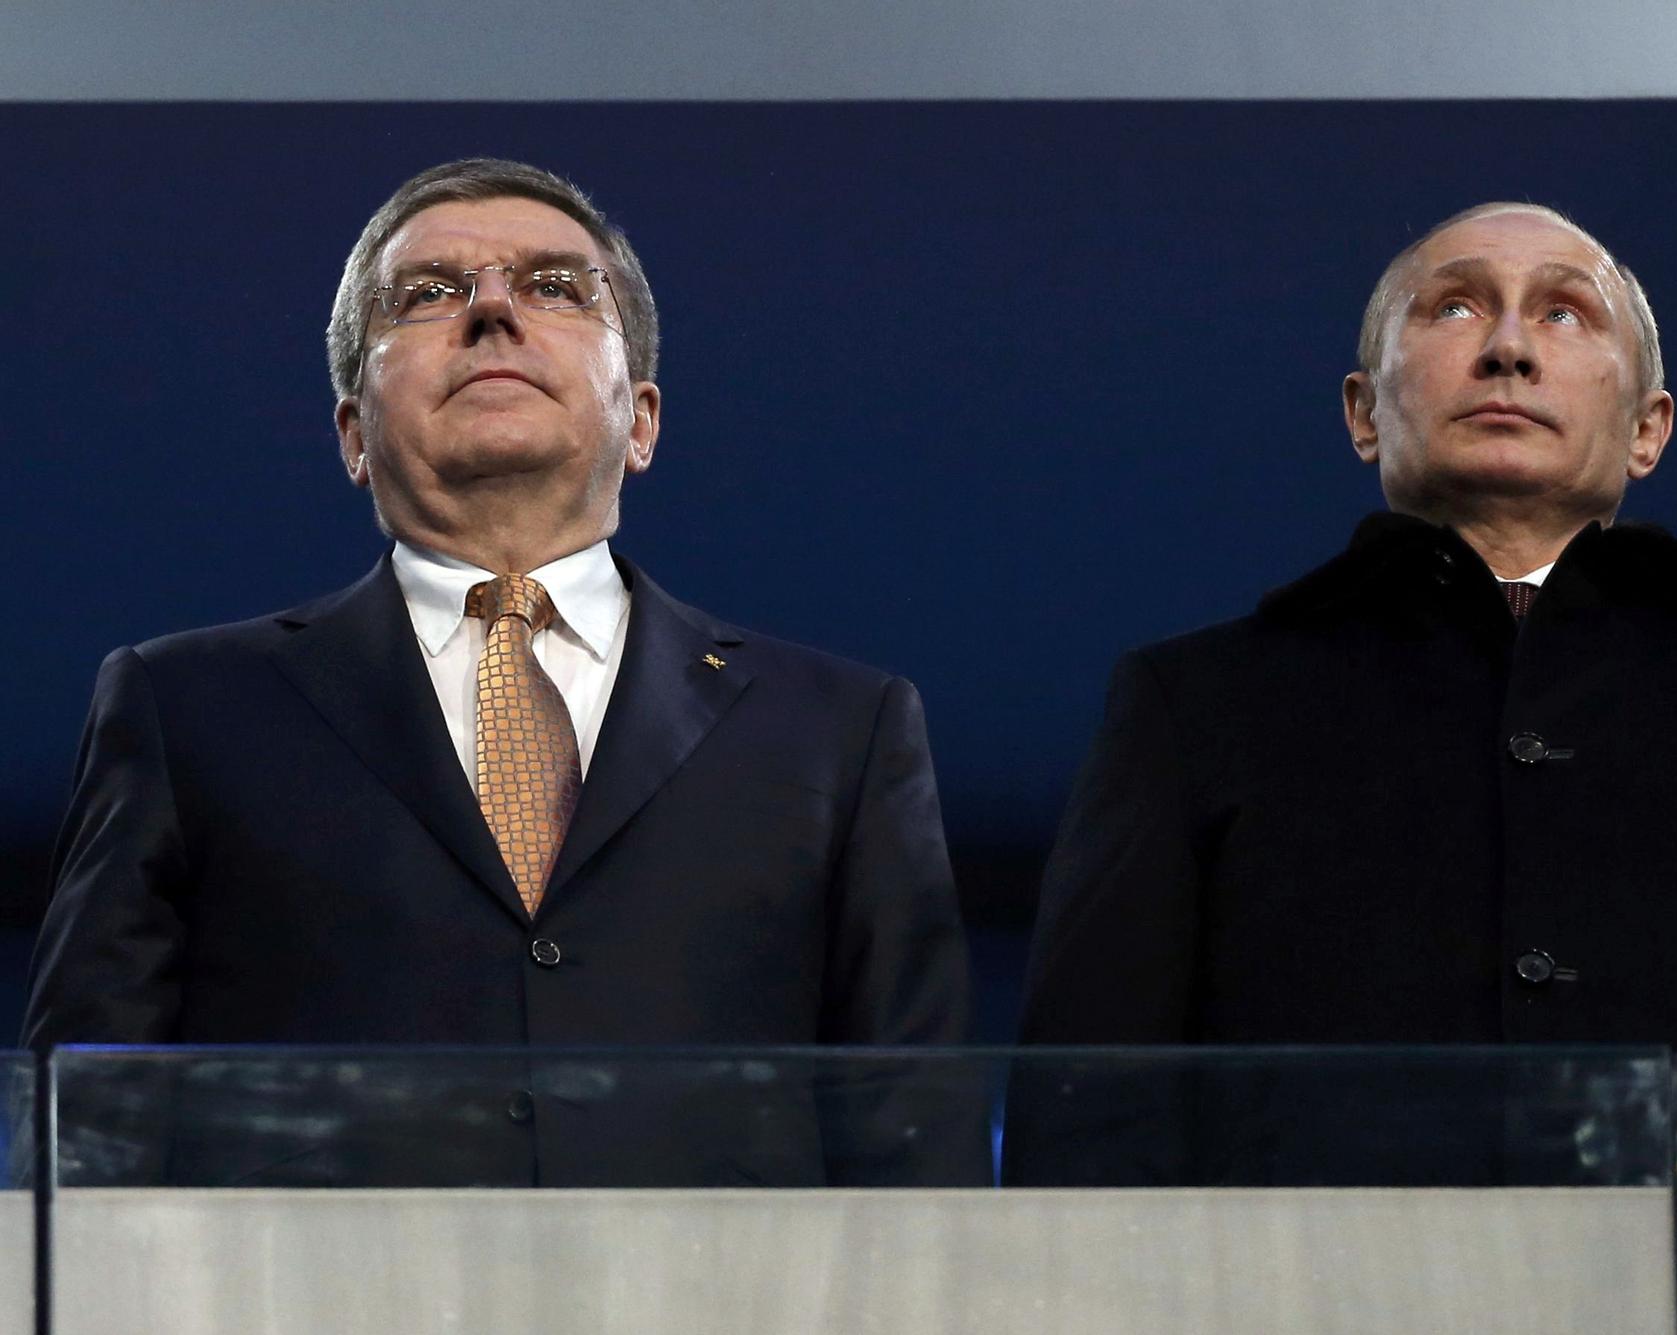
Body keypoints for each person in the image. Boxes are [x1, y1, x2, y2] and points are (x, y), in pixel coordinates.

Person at [24, 159, 977, 1187]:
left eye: (555, 287)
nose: (489, 311)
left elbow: (915, 1146)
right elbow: (88, 1136)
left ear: (641, 419)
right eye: (429, 293)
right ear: (353, 433)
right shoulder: (187, 709)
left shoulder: (838, 728)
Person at [1008, 202, 1677, 1183]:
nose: (1509, 349)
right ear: (1362, 413)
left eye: (1565, 313)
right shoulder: (1190, 707)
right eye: (1453, 309)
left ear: (1646, 429)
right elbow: (1086, 1122)